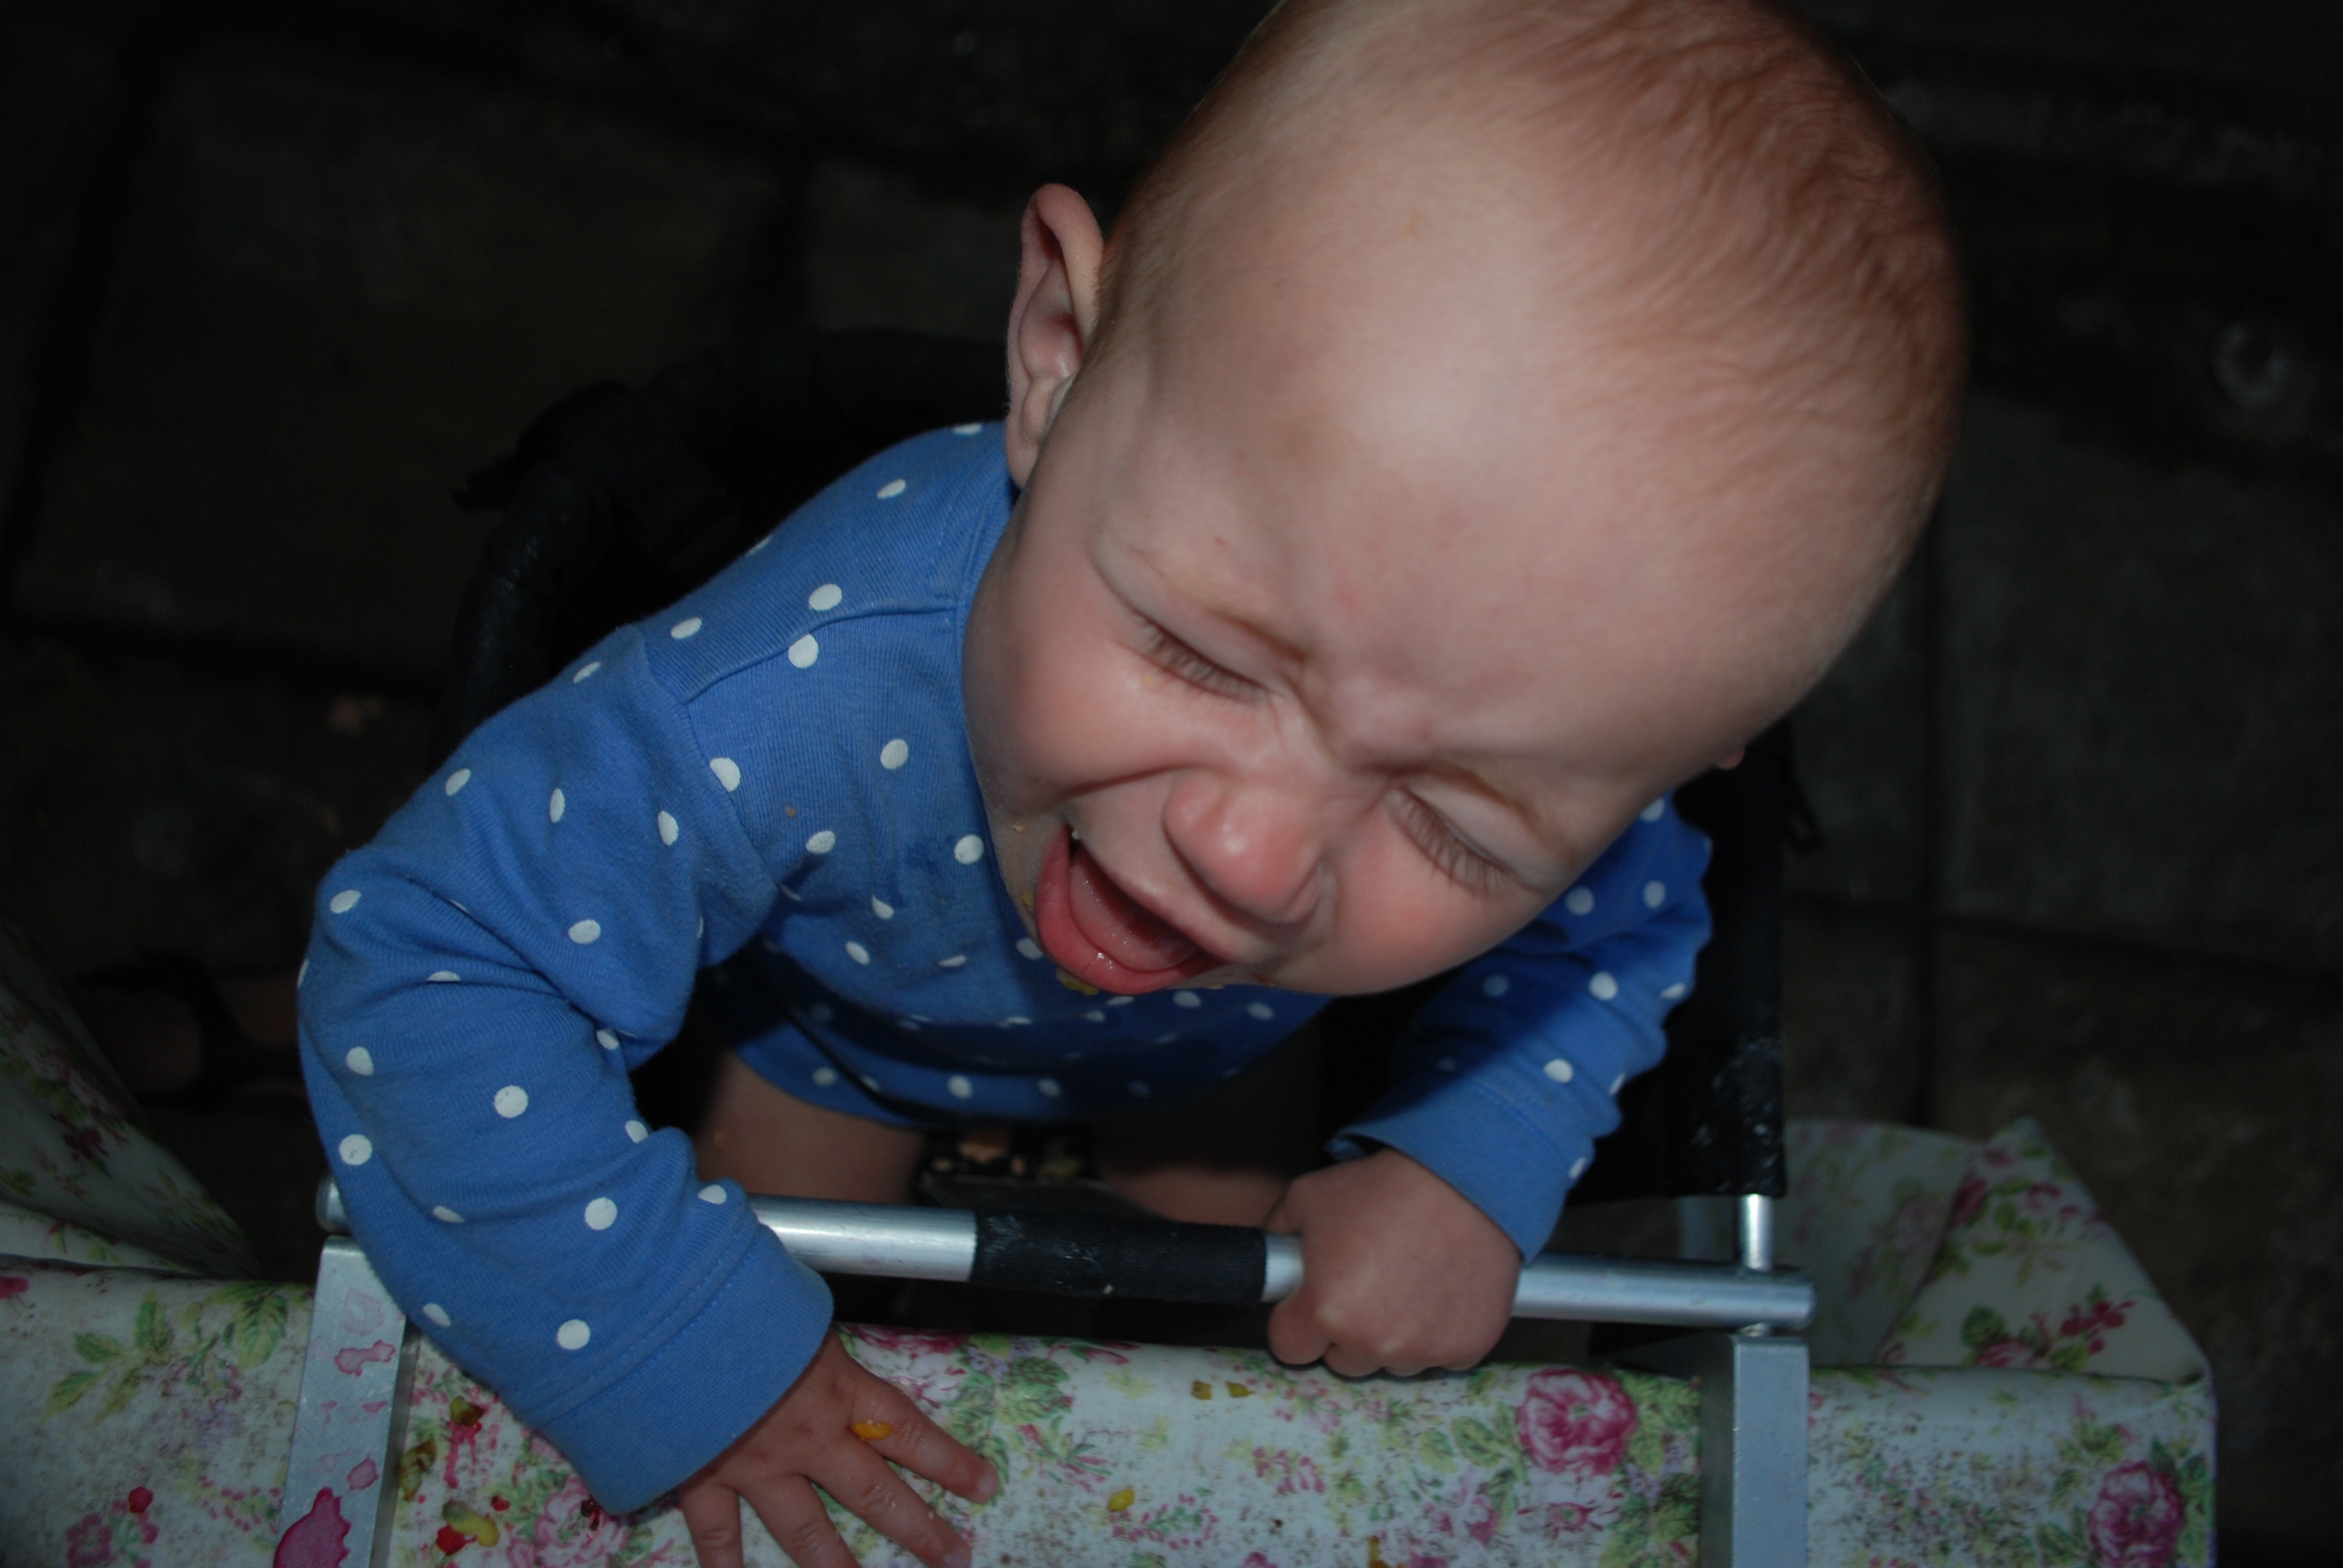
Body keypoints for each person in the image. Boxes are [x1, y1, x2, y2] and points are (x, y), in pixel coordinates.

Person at [298, 0, 1964, 1563]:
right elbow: (428, 960)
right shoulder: (785, 699)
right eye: (1201, 655)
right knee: (793, 1358)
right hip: (835, 1028)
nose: (1244, 855)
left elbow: (1628, 913)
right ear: (1055, 361)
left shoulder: (1544, 793)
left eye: (1451, 823)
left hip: (1213, 1057)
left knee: (1242, 1369)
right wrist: (677, 1338)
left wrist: (1474, 1156)